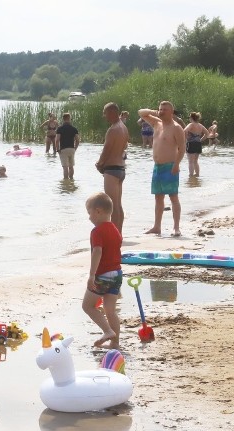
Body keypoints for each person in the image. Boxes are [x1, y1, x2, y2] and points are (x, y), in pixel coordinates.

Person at [82, 192, 123, 349]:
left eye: (90, 213)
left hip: (103, 276)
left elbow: (97, 251)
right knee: (110, 311)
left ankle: (107, 331)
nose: (89, 217)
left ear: (98, 211)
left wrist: (92, 275)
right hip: (117, 275)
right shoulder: (115, 230)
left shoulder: (97, 231)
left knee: (87, 306)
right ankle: (115, 343)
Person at [139, 101, 186, 236]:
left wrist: (177, 164)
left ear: (172, 112)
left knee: (173, 197)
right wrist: (155, 112)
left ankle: (176, 227)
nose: (162, 111)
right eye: (161, 109)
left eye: (165, 109)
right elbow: (141, 113)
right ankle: (157, 226)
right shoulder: (156, 123)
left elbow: (182, 148)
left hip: (170, 166)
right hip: (157, 167)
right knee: (158, 197)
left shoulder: (176, 128)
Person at [95, 102, 129, 233]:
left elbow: (106, 149)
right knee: (118, 205)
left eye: (105, 113)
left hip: (111, 169)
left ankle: (114, 234)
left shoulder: (113, 129)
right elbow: (125, 146)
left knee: (111, 205)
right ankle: (119, 232)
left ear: (112, 112)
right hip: (121, 168)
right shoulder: (124, 127)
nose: (104, 116)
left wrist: (99, 163)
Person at [55, 112, 80, 179]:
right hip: (71, 149)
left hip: (63, 149)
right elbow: (77, 140)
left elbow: (57, 140)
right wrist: (75, 148)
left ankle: (66, 182)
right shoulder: (74, 129)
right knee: (71, 166)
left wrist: (57, 149)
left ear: (63, 119)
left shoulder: (60, 129)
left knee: (65, 167)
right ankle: (71, 180)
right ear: (69, 119)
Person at [184, 112, 209, 177]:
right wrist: (200, 140)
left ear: (192, 118)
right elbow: (207, 133)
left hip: (191, 143)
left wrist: (186, 138)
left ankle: (191, 175)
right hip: (198, 144)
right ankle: (197, 174)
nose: (189, 118)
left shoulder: (191, 124)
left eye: (189, 117)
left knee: (190, 162)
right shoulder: (200, 125)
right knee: (195, 161)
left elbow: (185, 131)